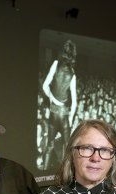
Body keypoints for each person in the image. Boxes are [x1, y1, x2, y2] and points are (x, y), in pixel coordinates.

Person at [40, 39, 78, 169]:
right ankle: (66, 178)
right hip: (65, 114)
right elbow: (74, 103)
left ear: (63, 53)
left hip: (53, 111)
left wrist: (52, 98)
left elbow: (45, 86)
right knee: (67, 148)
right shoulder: (73, 74)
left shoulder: (55, 64)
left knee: (50, 145)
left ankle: (44, 172)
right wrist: (71, 120)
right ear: (73, 56)